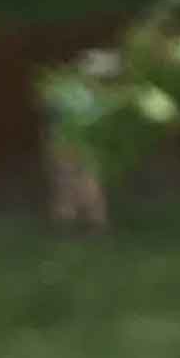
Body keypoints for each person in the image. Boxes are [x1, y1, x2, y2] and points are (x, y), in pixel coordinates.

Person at [41, 51, 114, 232]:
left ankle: (70, 220)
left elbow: (51, 113)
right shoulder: (99, 95)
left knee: (67, 182)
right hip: (78, 142)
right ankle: (93, 221)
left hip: (65, 141)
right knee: (86, 181)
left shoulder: (65, 90)